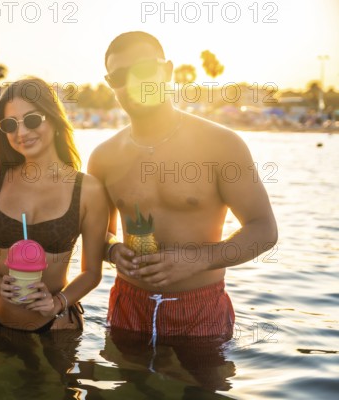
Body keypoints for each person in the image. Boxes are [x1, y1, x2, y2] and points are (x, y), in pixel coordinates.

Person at [88, 32, 278, 341]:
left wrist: (196, 260)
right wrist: (112, 250)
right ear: (111, 84)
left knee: (203, 389)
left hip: (200, 308)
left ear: (167, 71)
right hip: (127, 306)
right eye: (121, 75)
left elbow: (264, 229)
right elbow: (98, 233)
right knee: (123, 388)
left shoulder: (220, 145)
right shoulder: (104, 157)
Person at [0, 77, 109, 332]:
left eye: (32, 120)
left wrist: (57, 302)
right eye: (11, 125)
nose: (22, 133)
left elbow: (92, 273)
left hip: (55, 326)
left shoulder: (87, 190)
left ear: (53, 119)